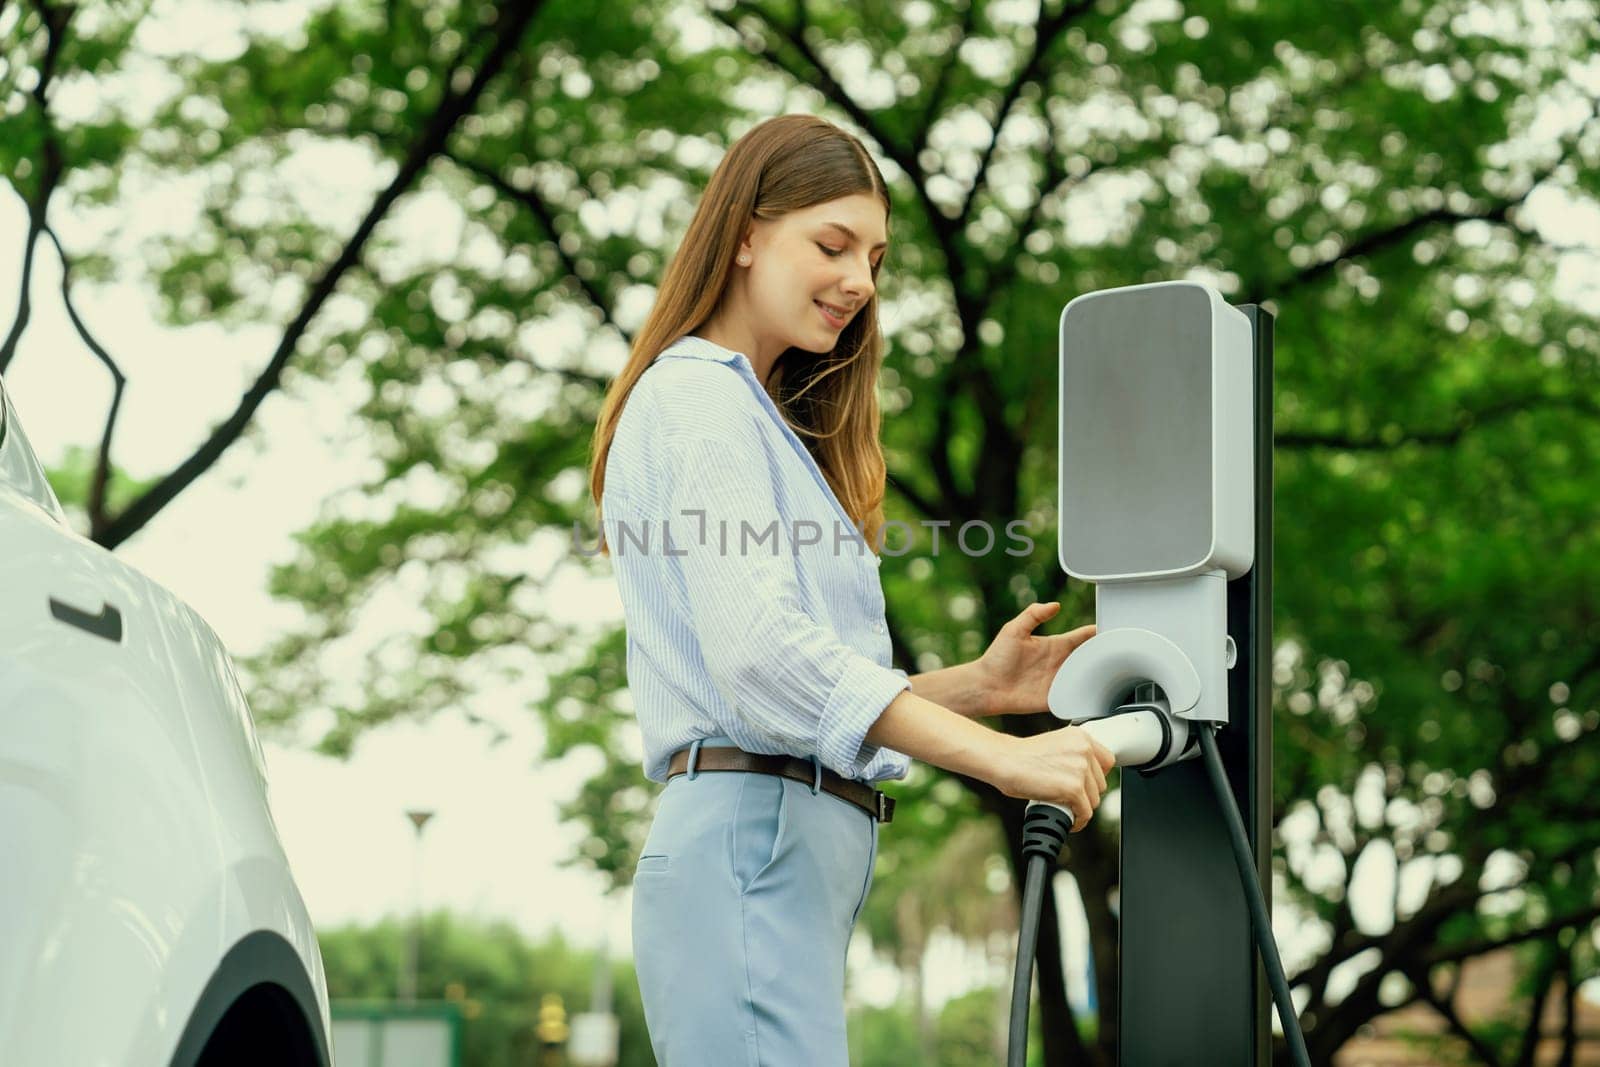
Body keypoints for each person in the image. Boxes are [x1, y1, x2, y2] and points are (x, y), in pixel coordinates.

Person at [585, 113, 1115, 1065]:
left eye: (875, 257)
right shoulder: (699, 395)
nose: (861, 282)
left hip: (776, 859)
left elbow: (784, 680)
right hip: (750, 848)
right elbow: (760, 660)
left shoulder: (755, 416)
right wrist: (1005, 758)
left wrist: (975, 688)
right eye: (831, 244)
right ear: (744, 233)